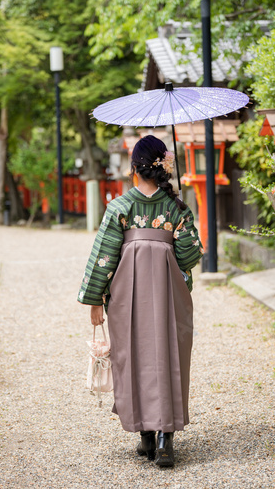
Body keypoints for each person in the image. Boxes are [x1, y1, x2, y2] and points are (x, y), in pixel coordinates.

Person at [77, 135, 203, 467]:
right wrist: (180, 225)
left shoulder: (120, 207)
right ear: (164, 167)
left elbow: (104, 258)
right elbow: (189, 257)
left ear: (134, 168)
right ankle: (165, 439)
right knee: (168, 355)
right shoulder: (176, 207)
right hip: (169, 296)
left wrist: (94, 302)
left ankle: (145, 436)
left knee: (131, 355)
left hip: (127, 298)